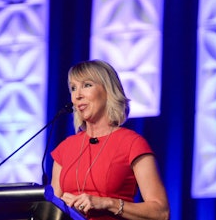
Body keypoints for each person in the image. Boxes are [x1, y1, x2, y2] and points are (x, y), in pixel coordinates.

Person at [50, 59, 170, 220]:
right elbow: (51, 211)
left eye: (87, 85)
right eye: (73, 88)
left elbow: (161, 213)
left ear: (108, 91)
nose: (77, 95)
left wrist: (106, 203)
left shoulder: (132, 144)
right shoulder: (65, 148)